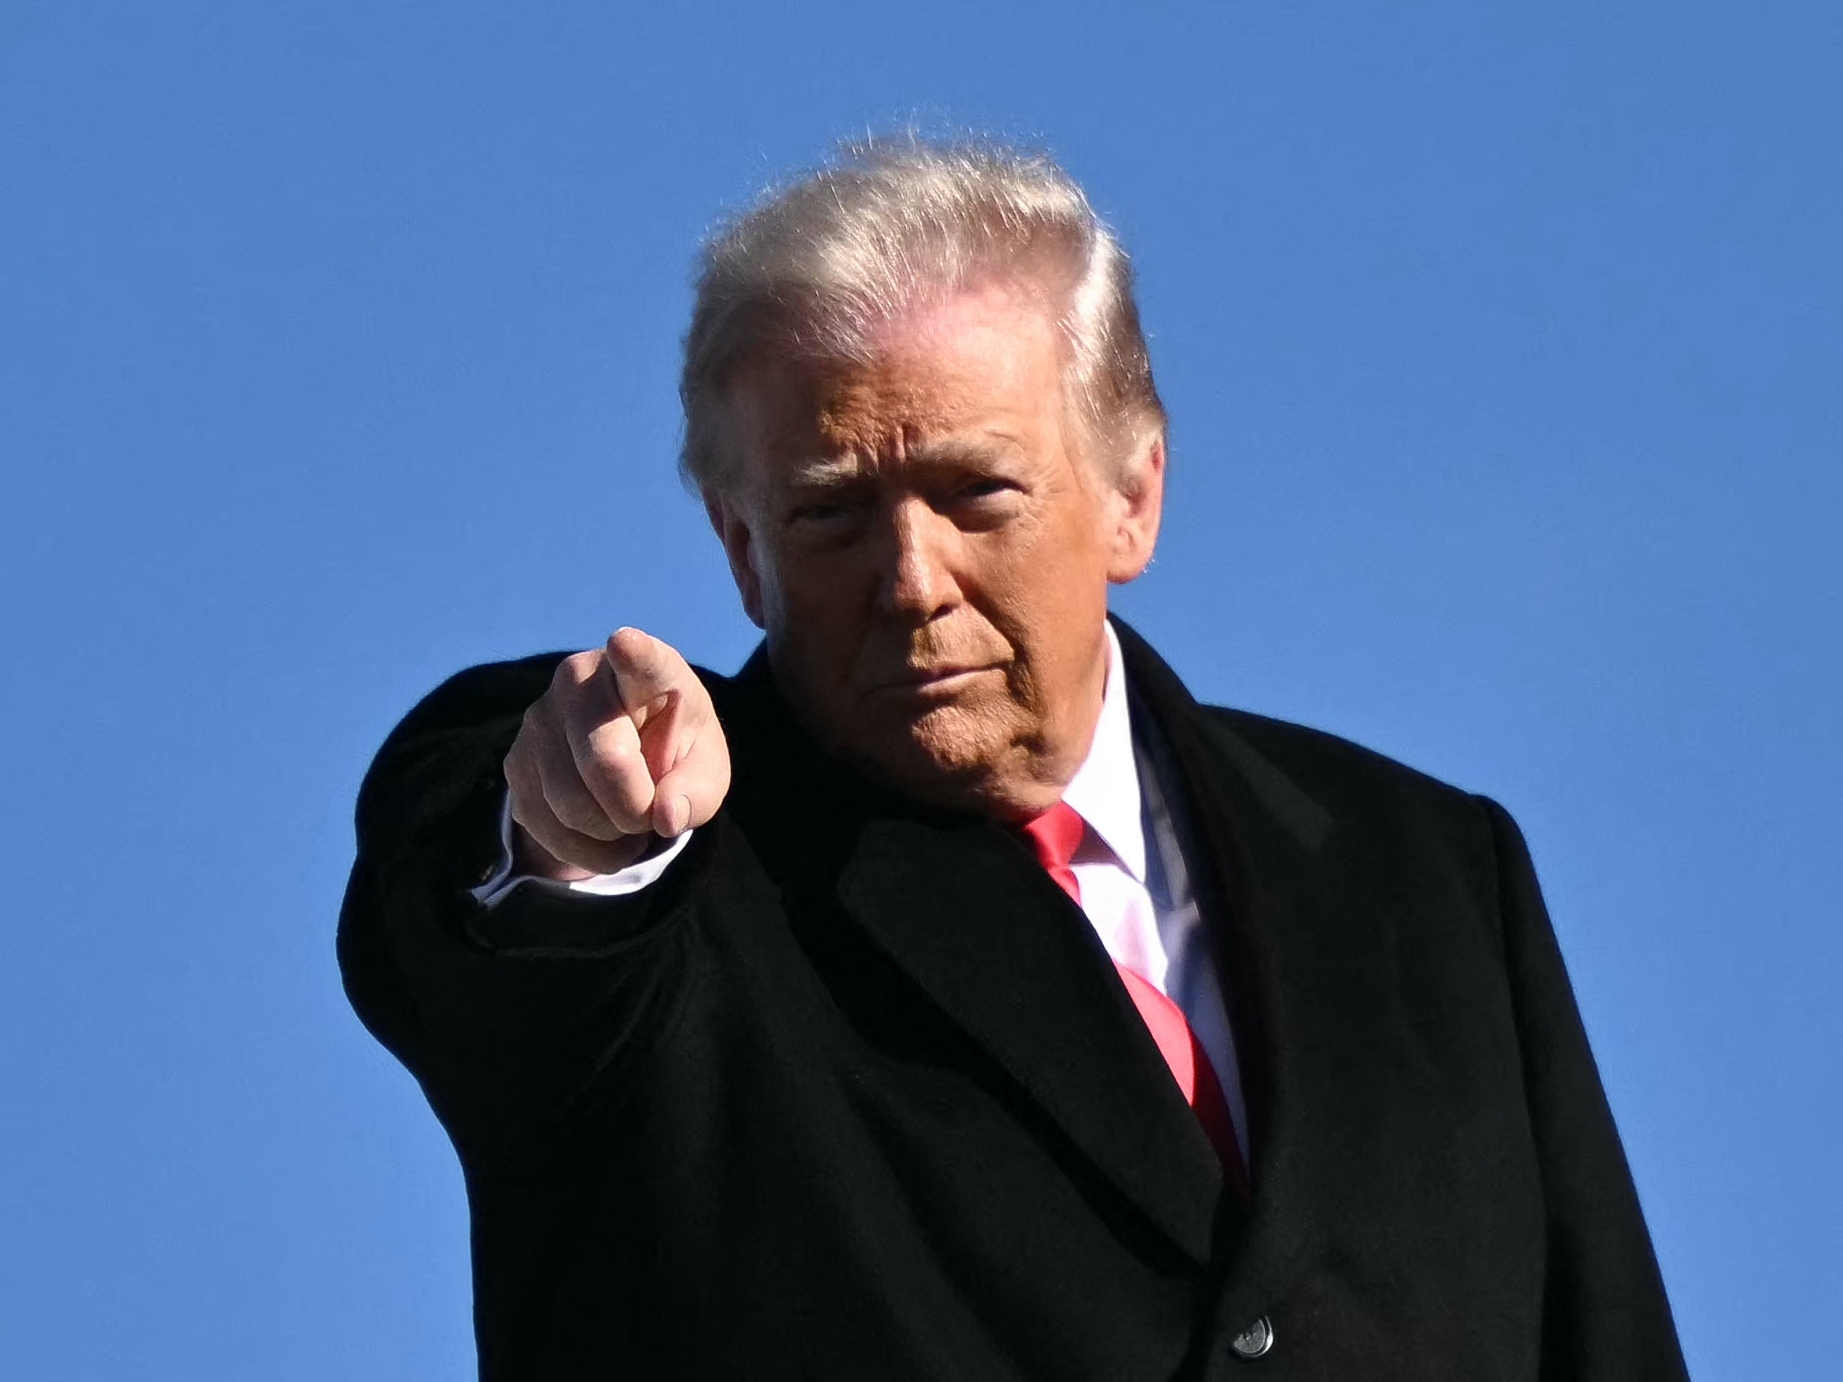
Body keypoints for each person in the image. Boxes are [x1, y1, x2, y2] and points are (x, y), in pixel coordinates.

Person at [339, 138, 1687, 1381]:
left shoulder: (1431, 873)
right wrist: (572, 833)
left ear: (1132, 492)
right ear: (740, 550)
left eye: (975, 490)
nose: (912, 580)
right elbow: (490, 936)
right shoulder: (672, 870)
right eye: (829, 512)